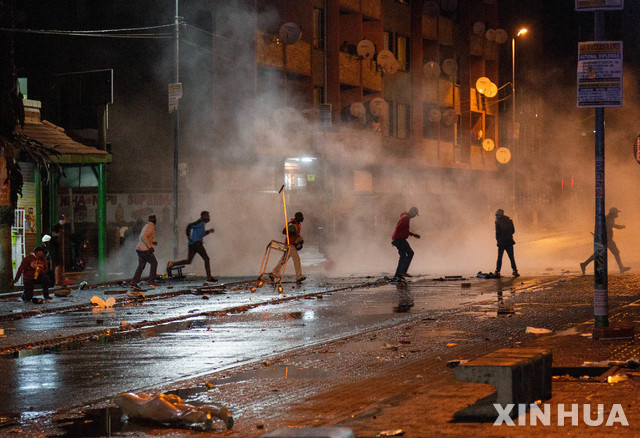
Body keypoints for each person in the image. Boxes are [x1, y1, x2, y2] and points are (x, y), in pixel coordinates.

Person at [167, 211, 217, 282]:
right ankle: (209, 278)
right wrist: (188, 235)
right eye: (207, 216)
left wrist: (209, 231)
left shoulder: (201, 224)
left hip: (192, 244)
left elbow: (201, 234)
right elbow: (189, 225)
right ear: (203, 216)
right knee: (206, 259)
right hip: (197, 244)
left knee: (188, 261)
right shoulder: (200, 222)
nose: (209, 217)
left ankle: (172, 264)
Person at [580, 207, 630, 274]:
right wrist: (621, 227)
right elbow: (613, 226)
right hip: (607, 239)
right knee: (616, 252)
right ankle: (621, 268)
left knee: (599, 254)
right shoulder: (609, 219)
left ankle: (584, 264)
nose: (617, 214)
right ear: (613, 213)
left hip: (604, 239)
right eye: (616, 212)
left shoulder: (608, 218)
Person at [270, 212, 306, 284]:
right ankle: (299, 277)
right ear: (297, 217)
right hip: (290, 245)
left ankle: (273, 274)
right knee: (296, 260)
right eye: (301, 217)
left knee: (283, 260)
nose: (302, 218)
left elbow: (296, 235)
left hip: (291, 244)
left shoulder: (298, 224)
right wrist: (290, 232)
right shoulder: (292, 223)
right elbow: (284, 232)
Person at [130, 214, 159, 290]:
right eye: (155, 219)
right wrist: (149, 247)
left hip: (139, 248)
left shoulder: (146, 226)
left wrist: (152, 242)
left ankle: (134, 282)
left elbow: (142, 237)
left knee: (141, 266)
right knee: (154, 262)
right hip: (144, 249)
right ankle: (151, 281)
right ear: (153, 220)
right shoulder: (151, 226)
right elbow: (144, 237)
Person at [391, 207, 420, 281]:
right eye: (415, 214)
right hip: (400, 239)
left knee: (403, 256)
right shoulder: (406, 218)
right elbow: (400, 228)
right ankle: (402, 272)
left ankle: (398, 274)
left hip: (398, 238)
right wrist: (399, 237)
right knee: (410, 253)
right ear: (412, 212)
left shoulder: (405, 217)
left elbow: (404, 229)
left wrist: (413, 234)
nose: (414, 216)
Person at [494, 209, 519, 278]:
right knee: (511, 257)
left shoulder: (497, 222)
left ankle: (497, 271)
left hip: (501, 242)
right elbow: (513, 231)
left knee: (500, 257)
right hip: (509, 242)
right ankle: (515, 271)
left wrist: (498, 240)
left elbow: (497, 233)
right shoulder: (509, 220)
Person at [50, 214, 66, 286]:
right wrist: (59, 234)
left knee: (60, 264)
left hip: (58, 247)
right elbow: (53, 234)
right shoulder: (55, 227)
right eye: (62, 219)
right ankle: (57, 282)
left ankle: (59, 281)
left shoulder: (62, 227)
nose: (63, 221)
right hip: (54, 247)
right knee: (57, 264)